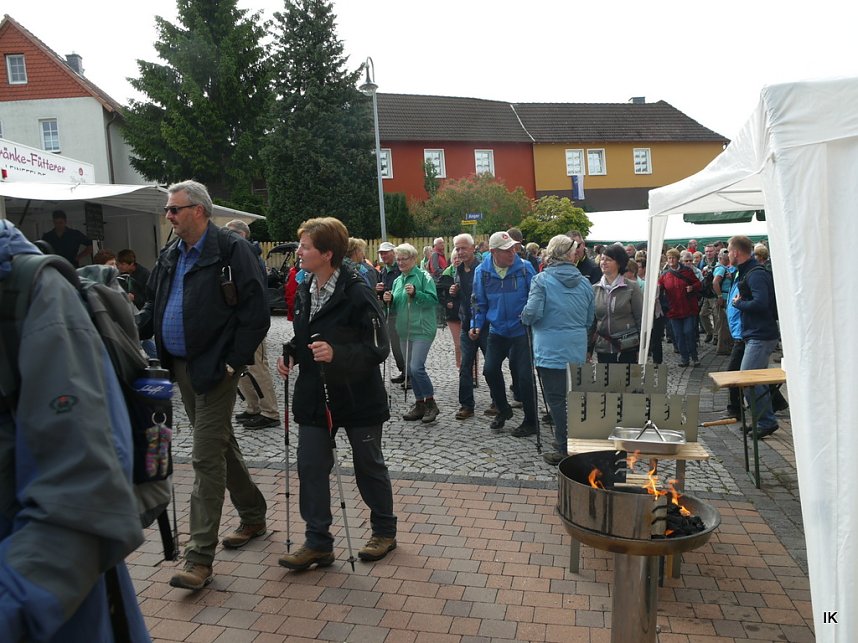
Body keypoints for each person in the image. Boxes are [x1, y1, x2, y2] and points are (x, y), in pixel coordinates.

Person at [0, 220, 149, 641]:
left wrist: (219, 362)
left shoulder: (30, 291)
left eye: (176, 209)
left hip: (50, 615)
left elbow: (85, 497)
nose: (170, 215)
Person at [138, 180, 269, 590]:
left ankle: (199, 559)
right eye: (167, 210)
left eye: (174, 209)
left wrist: (234, 361)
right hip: (178, 367)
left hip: (216, 369)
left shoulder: (232, 250)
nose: (168, 216)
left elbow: (256, 312)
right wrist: (119, 329)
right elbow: (151, 305)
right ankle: (253, 513)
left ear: (198, 210)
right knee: (219, 443)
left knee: (204, 456)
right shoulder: (170, 254)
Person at [276, 216, 397, 569]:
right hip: (314, 395)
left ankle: (384, 532)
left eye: (305, 247)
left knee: (368, 465)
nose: (299, 252)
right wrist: (292, 354)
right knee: (311, 466)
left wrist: (338, 353)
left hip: (358, 397)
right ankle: (318, 542)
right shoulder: (304, 287)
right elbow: (305, 335)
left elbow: (378, 348)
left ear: (327, 253)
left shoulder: (358, 291)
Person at [521, 235, 594, 465]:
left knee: (556, 401)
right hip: (576, 348)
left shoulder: (541, 280)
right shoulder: (584, 282)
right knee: (574, 399)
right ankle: (571, 440)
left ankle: (565, 447)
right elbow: (590, 319)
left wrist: (524, 316)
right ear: (571, 255)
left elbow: (532, 313)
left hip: (550, 351)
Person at [471, 230, 538, 437]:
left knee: (525, 377)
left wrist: (530, 318)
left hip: (521, 331)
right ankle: (503, 408)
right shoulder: (482, 272)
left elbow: (535, 298)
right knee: (489, 370)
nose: (512, 253)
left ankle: (530, 421)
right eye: (507, 250)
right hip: (498, 330)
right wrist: (475, 324)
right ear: (493, 252)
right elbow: (479, 303)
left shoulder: (526, 269)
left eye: (514, 249)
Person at [225, 219, 281, 430]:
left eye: (230, 233)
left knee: (257, 367)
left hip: (250, 322)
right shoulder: (240, 255)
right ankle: (253, 407)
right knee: (243, 367)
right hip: (238, 321)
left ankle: (270, 412)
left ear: (241, 234)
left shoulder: (248, 256)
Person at [728, 235, 780, 437]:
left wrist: (738, 303)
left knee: (747, 379)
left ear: (735, 252)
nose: (728, 255)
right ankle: (763, 419)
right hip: (756, 334)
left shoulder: (755, 273)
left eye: (729, 251)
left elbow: (761, 303)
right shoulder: (748, 271)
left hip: (761, 335)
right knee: (755, 381)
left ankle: (766, 421)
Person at [384, 243, 441, 422]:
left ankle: (431, 403)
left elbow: (433, 301)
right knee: (409, 369)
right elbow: (395, 307)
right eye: (398, 259)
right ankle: (419, 403)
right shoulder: (397, 281)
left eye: (404, 259)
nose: (400, 262)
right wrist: (388, 300)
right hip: (404, 329)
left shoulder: (424, 277)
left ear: (413, 259)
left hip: (422, 328)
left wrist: (416, 294)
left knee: (416, 367)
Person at [449, 233, 487, 420]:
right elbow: (462, 298)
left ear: (473, 248)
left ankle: (497, 402)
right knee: (465, 366)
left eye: (464, 248)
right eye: (458, 248)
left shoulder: (483, 268)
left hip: (485, 324)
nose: (461, 252)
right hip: (465, 323)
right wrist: (454, 293)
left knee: (491, 367)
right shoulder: (457, 269)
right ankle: (466, 405)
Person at [589, 244, 643, 364]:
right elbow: (592, 322)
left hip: (627, 346)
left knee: (626, 382)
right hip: (604, 347)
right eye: (602, 259)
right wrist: (589, 349)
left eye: (608, 259)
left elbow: (640, 318)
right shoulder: (594, 289)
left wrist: (641, 349)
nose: (604, 262)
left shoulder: (631, 287)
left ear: (619, 263)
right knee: (606, 381)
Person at [658, 248, 702, 367]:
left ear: (678, 259)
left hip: (688, 308)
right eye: (669, 258)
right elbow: (659, 289)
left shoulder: (687, 271)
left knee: (688, 332)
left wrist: (692, 287)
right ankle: (684, 358)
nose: (671, 260)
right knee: (678, 336)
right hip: (673, 310)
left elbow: (698, 283)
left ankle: (694, 356)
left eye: (673, 258)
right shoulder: (665, 275)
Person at [375, 241, 406, 383]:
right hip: (389, 311)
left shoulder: (400, 269)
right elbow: (382, 294)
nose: (383, 255)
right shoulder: (383, 270)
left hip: (401, 311)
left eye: (385, 252)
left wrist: (390, 294)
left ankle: (409, 373)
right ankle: (404, 371)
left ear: (393, 253)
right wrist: (379, 291)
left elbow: (403, 289)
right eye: (381, 253)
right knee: (394, 344)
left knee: (404, 343)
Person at [437, 248, 462, 369]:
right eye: (455, 258)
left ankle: (472, 373)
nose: (457, 260)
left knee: (470, 345)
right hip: (452, 314)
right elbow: (438, 293)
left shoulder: (469, 272)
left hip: (467, 312)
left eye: (459, 257)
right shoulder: (446, 274)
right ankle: (460, 369)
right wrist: (446, 303)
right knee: (458, 345)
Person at [712, 247, 736, 355]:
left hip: (725, 297)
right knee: (723, 324)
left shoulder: (723, 267)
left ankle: (725, 346)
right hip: (723, 298)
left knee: (724, 323)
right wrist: (720, 296)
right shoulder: (721, 269)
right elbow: (715, 282)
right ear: (721, 258)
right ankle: (722, 348)